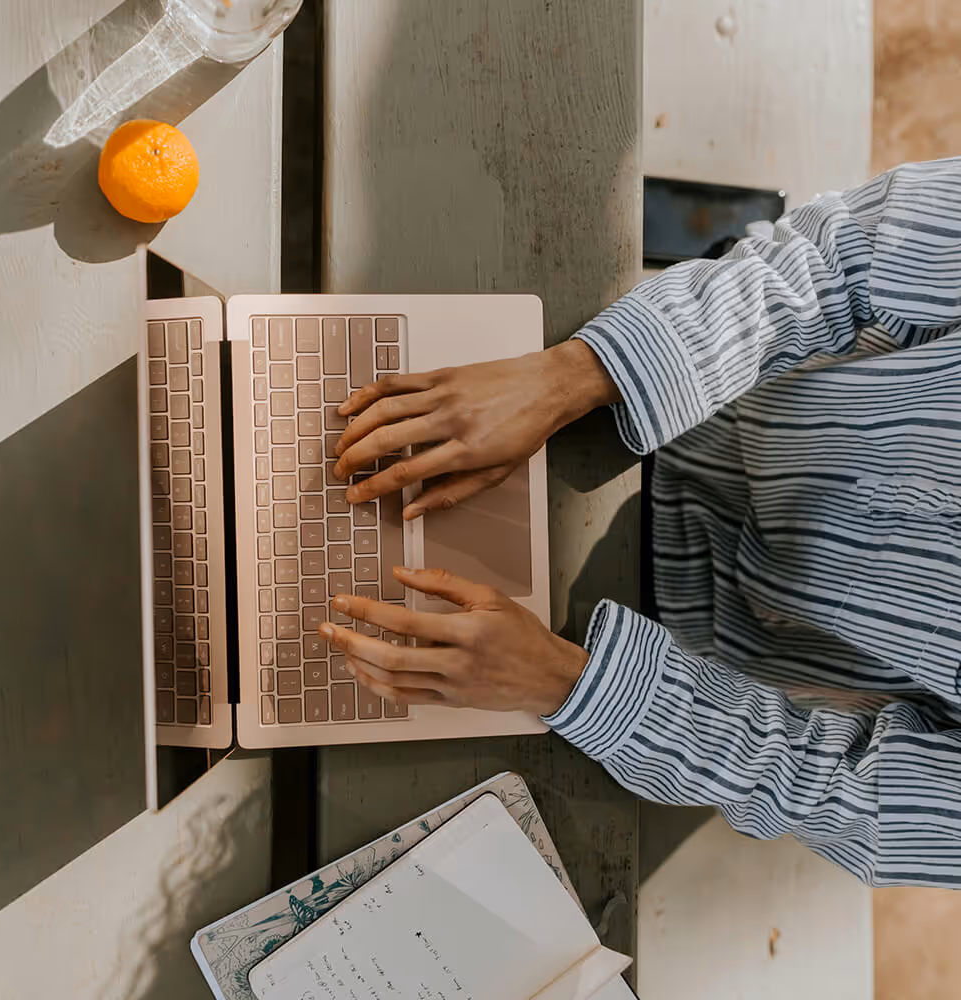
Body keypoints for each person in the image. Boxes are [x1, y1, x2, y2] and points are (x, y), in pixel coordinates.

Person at [318, 158, 961, 889]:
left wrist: (566, 683)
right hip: (633, 369)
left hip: (650, 662)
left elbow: (846, 798)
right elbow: (842, 256)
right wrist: (572, 376)